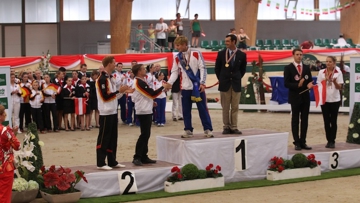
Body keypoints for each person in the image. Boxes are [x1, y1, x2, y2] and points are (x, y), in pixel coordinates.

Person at [166, 36, 213, 138]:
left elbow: (203, 68)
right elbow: (174, 72)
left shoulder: (196, 53)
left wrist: (202, 83)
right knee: (186, 110)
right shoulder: (177, 57)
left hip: (197, 87)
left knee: (202, 109)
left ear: (184, 44)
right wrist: (169, 83)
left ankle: (208, 129)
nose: (177, 48)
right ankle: (188, 129)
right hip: (185, 88)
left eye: (178, 46)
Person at [95, 56, 131, 170]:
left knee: (113, 137)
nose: (115, 65)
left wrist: (122, 91)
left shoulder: (111, 78)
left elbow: (114, 96)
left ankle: (112, 160)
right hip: (105, 111)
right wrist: (118, 91)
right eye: (114, 63)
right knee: (104, 137)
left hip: (113, 110)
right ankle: (100, 162)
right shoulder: (102, 79)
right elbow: (105, 96)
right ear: (109, 64)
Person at [131, 64, 167, 166]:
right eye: (142, 69)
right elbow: (151, 93)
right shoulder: (138, 82)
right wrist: (162, 88)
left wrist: (151, 102)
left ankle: (143, 155)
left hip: (146, 108)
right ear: (138, 72)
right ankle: (137, 156)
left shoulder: (142, 81)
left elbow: (145, 95)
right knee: (144, 134)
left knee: (146, 133)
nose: (144, 70)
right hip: (143, 110)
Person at [215, 34, 247, 134]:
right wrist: (222, 78)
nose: (226, 43)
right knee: (225, 107)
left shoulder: (242, 55)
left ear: (234, 42)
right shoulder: (221, 54)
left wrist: (236, 78)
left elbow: (243, 70)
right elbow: (217, 69)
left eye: (228, 41)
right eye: (225, 41)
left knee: (235, 107)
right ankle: (226, 126)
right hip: (225, 84)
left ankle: (234, 126)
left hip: (236, 83)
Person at [284, 48, 314, 150]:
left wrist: (310, 85)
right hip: (295, 97)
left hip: (305, 97)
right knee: (295, 119)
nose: (299, 56)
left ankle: (303, 141)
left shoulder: (306, 68)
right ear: (293, 55)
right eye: (297, 54)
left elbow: (309, 80)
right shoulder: (288, 68)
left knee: (305, 120)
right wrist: (297, 85)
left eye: (301, 54)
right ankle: (296, 142)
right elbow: (286, 83)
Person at [317, 56, 344, 148]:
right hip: (324, 99)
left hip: (335, 100)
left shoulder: (338, 72)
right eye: (327, 61)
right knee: (326, 121)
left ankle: (332, 140)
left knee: (333, 120)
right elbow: (318, 85)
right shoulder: (321, 72)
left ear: (334, 63)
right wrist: (324, 81)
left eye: (330, 62)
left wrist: (334, 82)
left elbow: (340, 87)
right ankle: (328, 140)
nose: (328, 63)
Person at [0, 105, 20, 202]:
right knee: (4, 196)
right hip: (5, 166)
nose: (5, 115)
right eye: (4, 113)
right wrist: (13, 134)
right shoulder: (5, 130)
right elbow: (17, 146)